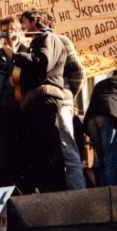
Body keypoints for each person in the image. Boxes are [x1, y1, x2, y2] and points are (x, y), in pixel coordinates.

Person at [2, 9, 67, 194]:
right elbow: (36, 69)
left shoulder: (48, 38)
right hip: (36, 101)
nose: (21, 28)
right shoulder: (39, 41)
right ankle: (47, 190)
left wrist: (14, 55)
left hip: (44, 100)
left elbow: (43, 62)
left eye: (23, 22)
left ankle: (56, 192)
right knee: (40, 148)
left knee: (48, 146)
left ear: (35, 20)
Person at [44, 10, 86, 191]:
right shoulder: (36, 45)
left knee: (68, 148)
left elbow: (78, 70)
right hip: (47, 104)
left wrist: (69, 95)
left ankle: (79, 193)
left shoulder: (61, 40)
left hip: (61, 101)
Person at [0, 16, 27, 188]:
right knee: (2, 149)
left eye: (13, 28)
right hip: (1, 107)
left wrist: (14, 57)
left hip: (22, 107)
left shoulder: (27, 51)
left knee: (22, 148)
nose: (10, 32)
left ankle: (22, 186)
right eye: (5, 29)